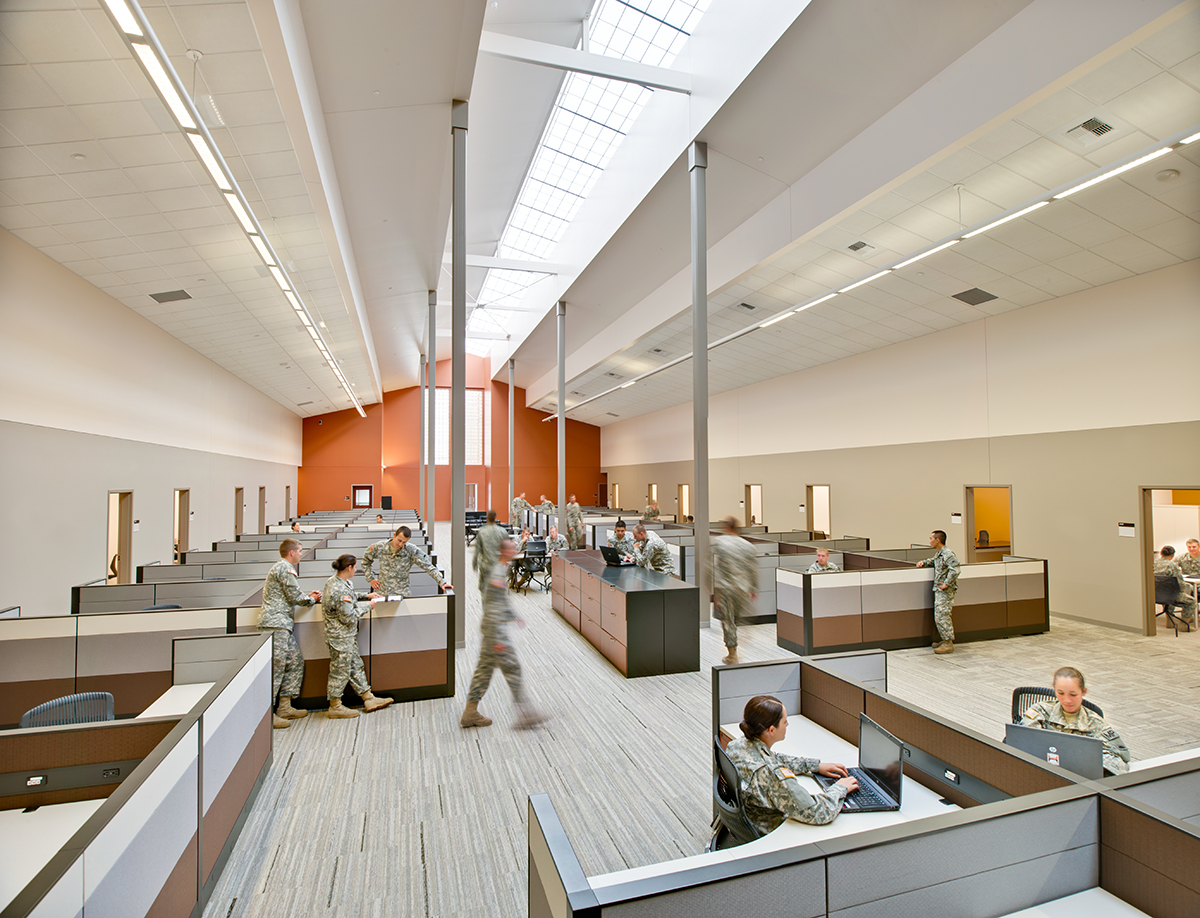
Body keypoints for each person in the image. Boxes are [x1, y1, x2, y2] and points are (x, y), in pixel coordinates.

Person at [724, 695, 857, 834]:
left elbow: (774, 758)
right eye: (785, 721)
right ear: (771, 730)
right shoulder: (773, 775)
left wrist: (814, 766)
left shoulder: (737, 745)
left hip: (749, 821)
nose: (787, 724)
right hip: (772, 834)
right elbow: (817, 812)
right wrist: (840, 788)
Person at [460, 538, 546, 730]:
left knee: (483, 671)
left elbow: (501, 602)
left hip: (491, 630)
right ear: (504, 551)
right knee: (513, 669)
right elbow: (492, 607)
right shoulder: (498, 573)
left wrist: (513, 615)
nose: (515, 548)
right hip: (495, 632)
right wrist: (497, 639)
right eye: (512, 547)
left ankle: (470, 712)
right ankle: (526, 714)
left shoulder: (501, 569)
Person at [258, 538, 321, 729]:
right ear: (292, 552)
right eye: (300, 551)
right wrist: (311, 599)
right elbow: (294, 596)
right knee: (276, 669)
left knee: (294, 662)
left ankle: (284, 706)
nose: (301, 554)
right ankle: (266, 715)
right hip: (275, 624)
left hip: (283, 624)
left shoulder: (282, 568)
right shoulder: (285, 568)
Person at [1021, 666, 1131, 775]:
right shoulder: (1040, 711)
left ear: (1083, 691)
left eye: (1073, 695)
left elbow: (1121, 756)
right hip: (1039, 773)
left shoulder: (1095, 723)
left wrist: (1094, 763)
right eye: (1061, 693)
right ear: (1054, 688)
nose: (1067, 700)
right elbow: (1022, 739)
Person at [321, 554, 394, 718]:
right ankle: (335, 706)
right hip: (339, 637)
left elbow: (350, 596)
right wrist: (367, 606)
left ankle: (368, 698)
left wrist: (365, 596)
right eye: (354, 567)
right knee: (340, 671)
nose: (355, 570)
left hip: (346, 636)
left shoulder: (338, 582)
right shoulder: (338, 589)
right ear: (349, 568)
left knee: (355, 666)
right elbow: (348, 616)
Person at [708, 517, 758, 665]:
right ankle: (737, 639)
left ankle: (732, 654)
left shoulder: (720, 542)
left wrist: (712, 589)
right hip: (742, 588)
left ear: (726, 528)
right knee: (735, 618)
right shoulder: (749, 546)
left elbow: (712, 567)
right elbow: (752, 570)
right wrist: (753, 588)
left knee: (728, 621)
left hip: (726, 588)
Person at [362, 526, 450, 597]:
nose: (400, 544)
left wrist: (442, 582)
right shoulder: (379, 547)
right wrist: (370, 579)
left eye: (404, 542)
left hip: (402, 594)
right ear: (394, 535)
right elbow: (365, 561)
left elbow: (428, 566)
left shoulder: (411, 550)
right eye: (399, 540)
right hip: (382, 593)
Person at [915, 530, 959, 654]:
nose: (930, 541)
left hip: (945, 591)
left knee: (942, 616)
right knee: (939, 615)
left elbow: (955, 570)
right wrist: (924, 562)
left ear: (937, 540)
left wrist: (947, 583)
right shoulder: (939, 554)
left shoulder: (948, 554)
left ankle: (948, 642)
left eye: (931, 538)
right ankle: (944, 640)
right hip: (940, 590)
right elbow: (934, 561)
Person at [1154, 545, 1197, 625]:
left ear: (1161, 553)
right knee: (1192, 601)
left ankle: (1170, 621)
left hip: (1156, 594)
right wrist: (1182, 593)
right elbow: (1180, 583)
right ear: (1172, 555)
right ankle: (1183, 624)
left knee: (1169, 596)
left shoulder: (1153, 563)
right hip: (1170, 595)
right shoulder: (1172, 565)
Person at [472, 509, 507, 592]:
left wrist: (475, 563)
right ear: (495, 518)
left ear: (487, 518)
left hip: (485, 565)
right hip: (498, 566)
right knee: (498, 590)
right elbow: (507, 549)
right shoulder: (502, 531)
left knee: (484, 589)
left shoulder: (482, 531)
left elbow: (477, 550)